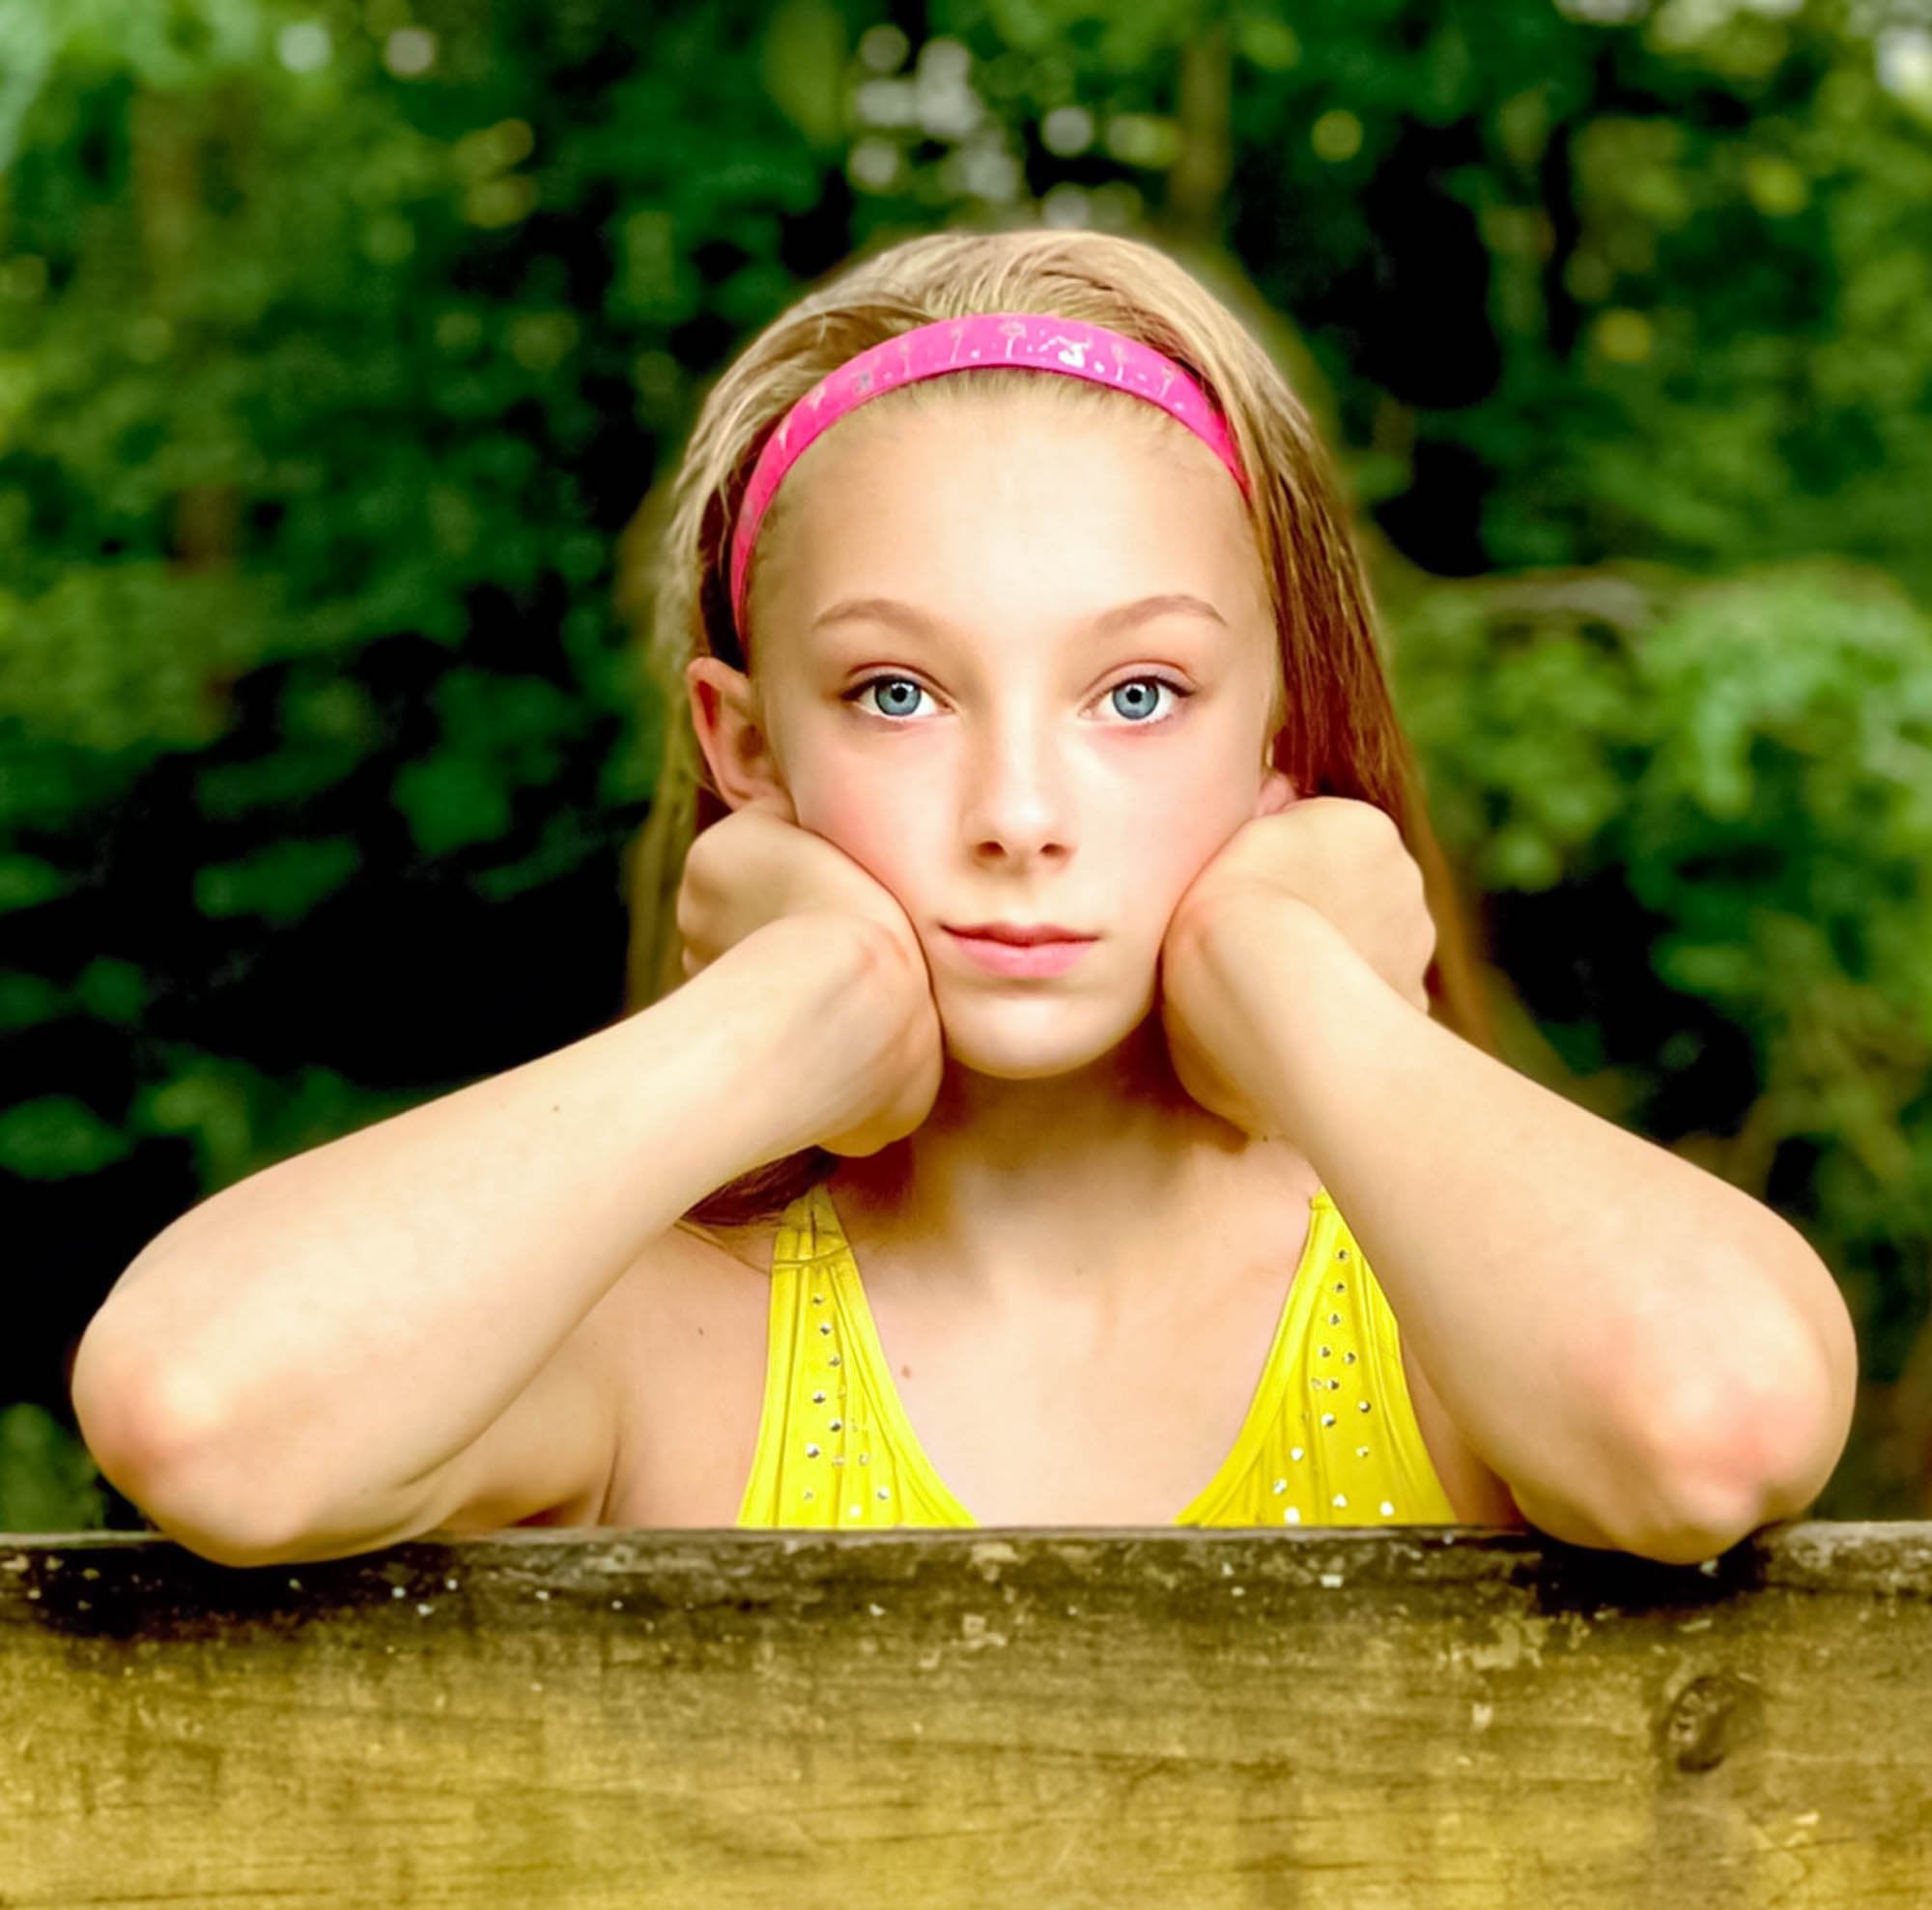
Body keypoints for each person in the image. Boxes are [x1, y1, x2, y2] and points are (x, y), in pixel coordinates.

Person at [71, 227, 1855, 1565]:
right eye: (896, 695)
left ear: (1282, 732)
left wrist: (1290, 973)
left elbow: (1712, 1426)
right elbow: (208, 1412)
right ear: (746, 749)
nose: (1017, 812)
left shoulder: (1456, 1309)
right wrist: (779, 1012)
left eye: (1137, 696)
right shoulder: (671, 1338)